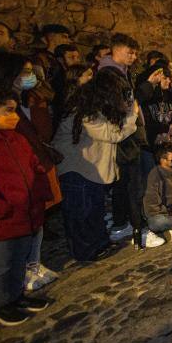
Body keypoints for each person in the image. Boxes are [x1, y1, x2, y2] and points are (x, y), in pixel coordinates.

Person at [0, 86, 52, 326]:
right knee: (1, 263)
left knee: (19, 258)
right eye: (8, 111)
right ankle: (0, 305)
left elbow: (34, 166)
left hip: (25, 212)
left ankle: (16, 296)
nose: (15, 116)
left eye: (16, 111)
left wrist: (39, 192)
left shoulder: (16, 138)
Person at [0, 52, 62, 291]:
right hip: (16, 173)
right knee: (21, 226)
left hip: (34, 165)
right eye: (26, 72)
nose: (31, 77)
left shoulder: (27, 100)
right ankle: (21, 273)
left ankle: (33, 263)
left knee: (37, 220)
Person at [53, 68, 139, 260]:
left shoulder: (97, 109)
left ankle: (100, 243)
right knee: (81, 214)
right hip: (77, 170)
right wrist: (132, 115)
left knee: (95, 210)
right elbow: (112, 134)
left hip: (92, 170)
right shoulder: (84, 112)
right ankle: (85, 252)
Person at [98, 33, 146, 245]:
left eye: (135, 53)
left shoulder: (122, 73)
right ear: (116, 50)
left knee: (127, 183)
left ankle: (124, 223)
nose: (134, 57)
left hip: (128, 134)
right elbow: (121, 107)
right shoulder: (109, 75)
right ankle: (131, 227)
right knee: (128, 184)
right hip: (123, 136)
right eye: (130, 52)